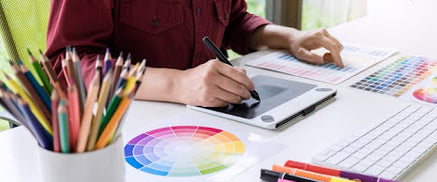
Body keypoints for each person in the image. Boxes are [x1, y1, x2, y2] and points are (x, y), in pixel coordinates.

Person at [45, 0, 344, 107]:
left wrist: (289, 37)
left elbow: (233, 21)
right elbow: (69, 63)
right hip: (129, 136)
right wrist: (177, 84)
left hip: (215, 127)